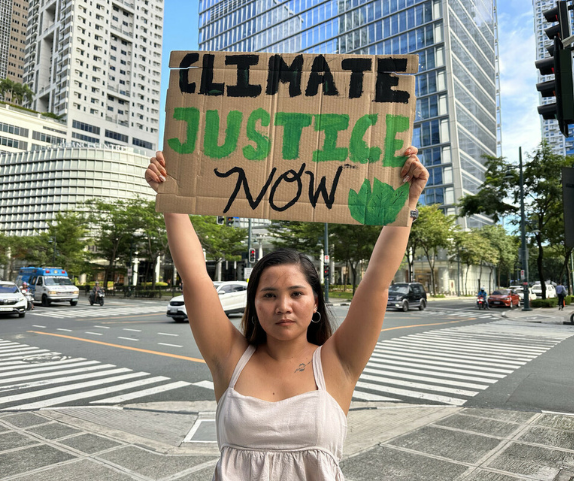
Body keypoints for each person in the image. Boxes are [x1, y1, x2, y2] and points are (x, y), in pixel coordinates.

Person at [145, 148, 428, 480]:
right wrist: (171, 200)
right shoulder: (230, 358)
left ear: (315, 302)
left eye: (296, 293)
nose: (283, 306)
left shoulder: (338, 362)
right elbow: (195, 280)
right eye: (269, 295)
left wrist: (406, 204)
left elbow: (377, 282)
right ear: (253, 305)